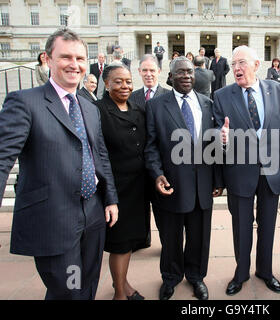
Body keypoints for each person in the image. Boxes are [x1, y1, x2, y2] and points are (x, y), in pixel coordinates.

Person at [0, 27, 118, 300]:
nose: (74, 65)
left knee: (87, 283)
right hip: (54, 216)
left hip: (93, 213)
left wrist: (110, 198)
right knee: (68, 289)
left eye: (79, 58)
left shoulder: (89, 107)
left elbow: (100, 155)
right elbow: (3, 156)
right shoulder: (24, 102)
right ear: (47, 59)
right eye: (66, 57)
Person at [213, 45, 280, 296]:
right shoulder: (222, 95)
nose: (237, 68)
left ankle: (266, 272)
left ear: (257, 65)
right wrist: (221, 137)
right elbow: (215, 135)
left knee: (268, 226)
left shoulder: (278, 90)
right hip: (239, 172)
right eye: (234, 64)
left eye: (242, 63)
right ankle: (241, 273)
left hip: (272, 171)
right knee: (241, 227)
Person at [145, 56, 223, 300]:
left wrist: (218, 181)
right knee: (171, 237)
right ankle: (170, 277)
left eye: (190, 71)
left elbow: (214, 146)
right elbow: (151, 146)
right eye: (181, 72)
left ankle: (196, 276)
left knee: (199, 238)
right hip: (172, 185)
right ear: (171, 77)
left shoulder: (208, 104)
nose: (187, 76)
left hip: (202, 186)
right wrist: (157, 174)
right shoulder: (156, 106)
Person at [95, 62, 150, 300]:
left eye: (128, 81)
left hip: (137, 188)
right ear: (106, 84)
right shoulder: (97, 110)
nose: (124, 86)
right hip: (115, 189)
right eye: (118, 81)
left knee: (128, 242)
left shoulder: (138, 110)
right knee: (119, 243)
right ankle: (119, 293)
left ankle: (123, 283)